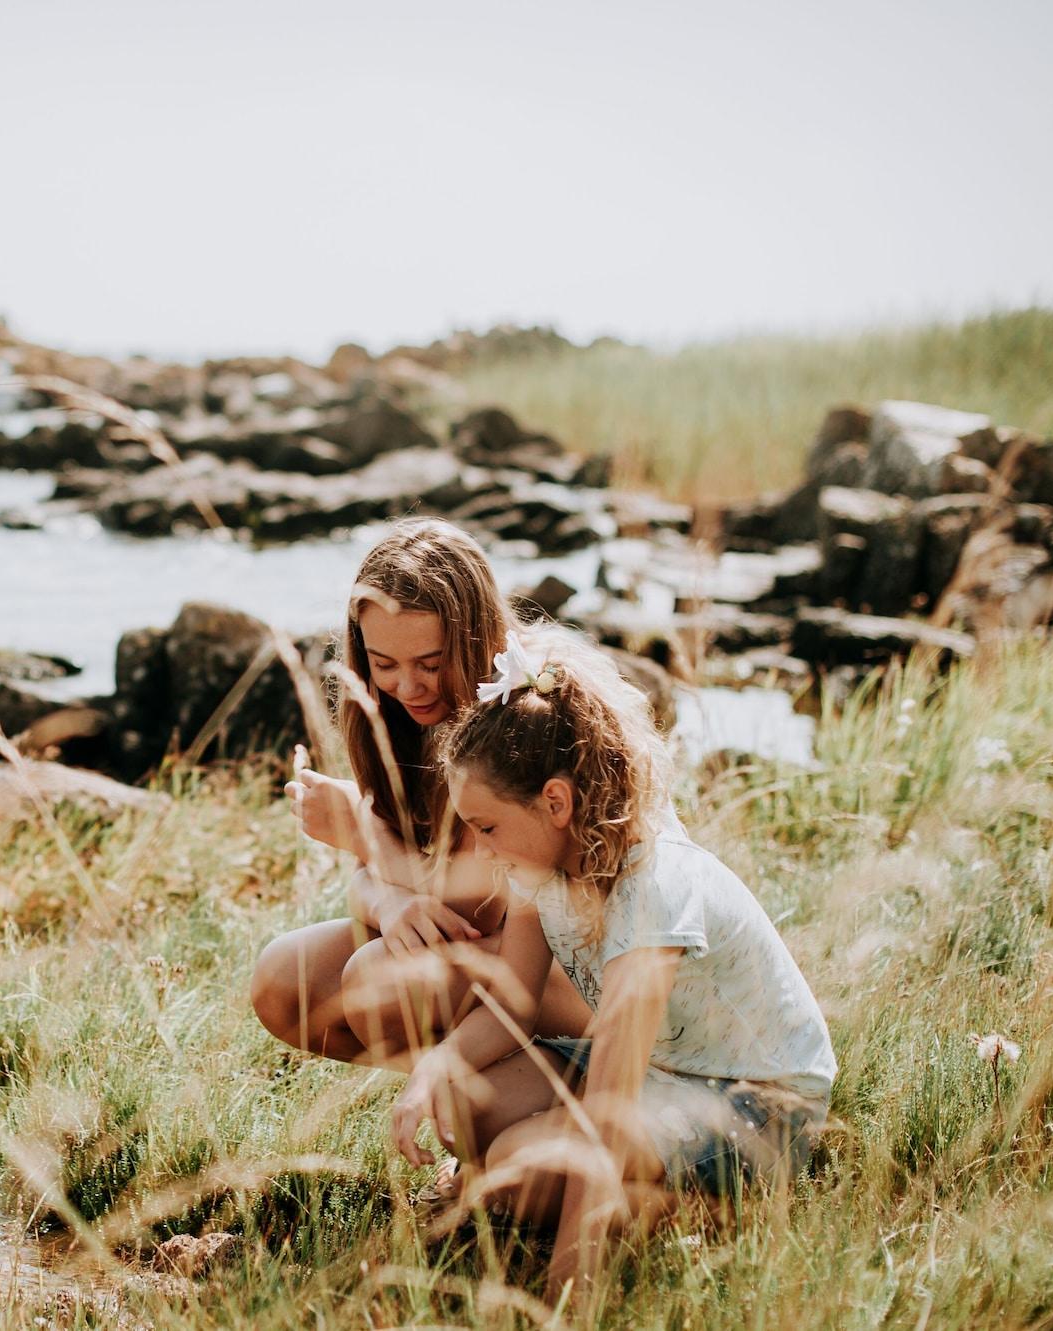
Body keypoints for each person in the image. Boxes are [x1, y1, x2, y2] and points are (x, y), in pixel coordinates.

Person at [389, 624, 837, 1296]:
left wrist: (568, 1290)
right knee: (467, 1102)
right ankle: (611, 1193)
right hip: (662, 1071)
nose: (480, 851)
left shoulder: (651, 889)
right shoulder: (542, 866)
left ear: (557, 802)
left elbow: (610, 1108)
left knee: (517, 1163)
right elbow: (511, 999)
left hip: (756, 1105)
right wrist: (434, 1067)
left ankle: (701, 1211)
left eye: (486, 826)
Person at [248, 518, 591, 1066]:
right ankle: (476, 1086)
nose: (407, 687)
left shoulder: (526, 707)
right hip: (493, 956)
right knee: (284, 981)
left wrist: (367, 836)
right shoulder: (401, 718)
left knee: (381, 983)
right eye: (384, 664)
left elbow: (477, 907)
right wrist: (392, 900)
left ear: (476, 638)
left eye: (430, 665)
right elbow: (378, 882)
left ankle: (524, 1091)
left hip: (580, 970)